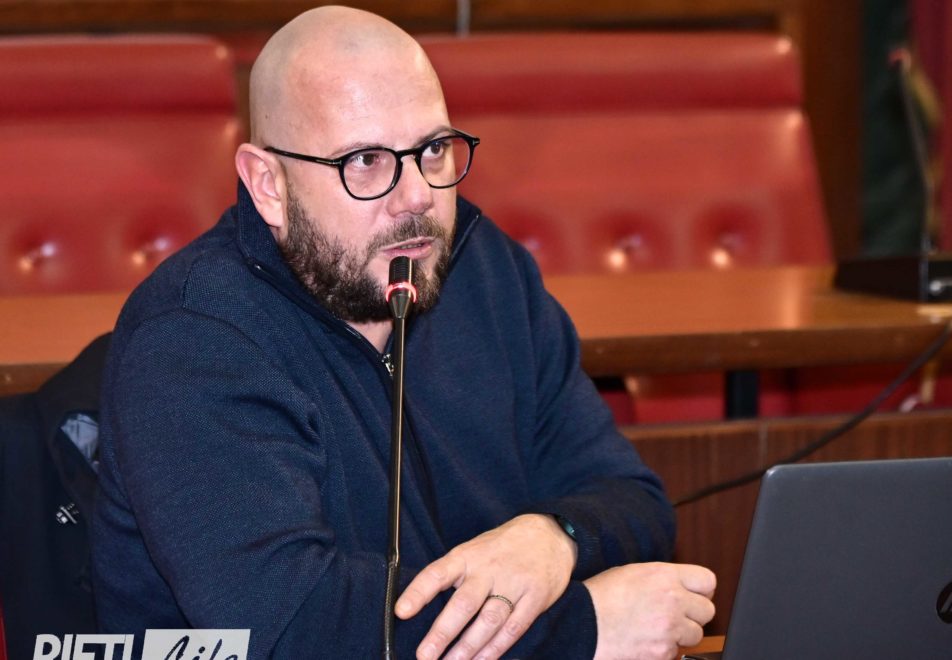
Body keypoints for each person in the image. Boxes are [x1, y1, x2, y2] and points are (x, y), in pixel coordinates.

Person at [90, 6, 715, 659]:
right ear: (268, 184)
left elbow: (633, 500)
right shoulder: (194, 341)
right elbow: (293, 627)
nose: (417, 195)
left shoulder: (485, 271)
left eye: (433, 150)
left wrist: (554, 535)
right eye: (365, 160)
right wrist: (581, 630)